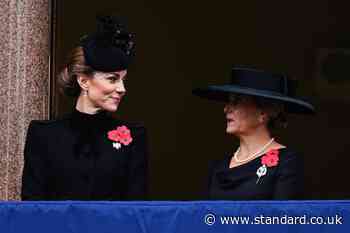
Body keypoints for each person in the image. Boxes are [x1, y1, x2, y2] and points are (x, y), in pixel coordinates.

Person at [21, 16, 148, 200]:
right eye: (112, 79)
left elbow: (137, 211)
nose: (122, 89)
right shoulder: (44, 135)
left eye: (123, 80)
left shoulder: (135, 136)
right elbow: (32, 208)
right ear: (83, 81)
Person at [192, 66, 315, 200]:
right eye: (228, 102)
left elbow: (282, 218)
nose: (226, 109)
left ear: (264, 113)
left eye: (236, 101)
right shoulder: (218, 166)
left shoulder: (287, 162)